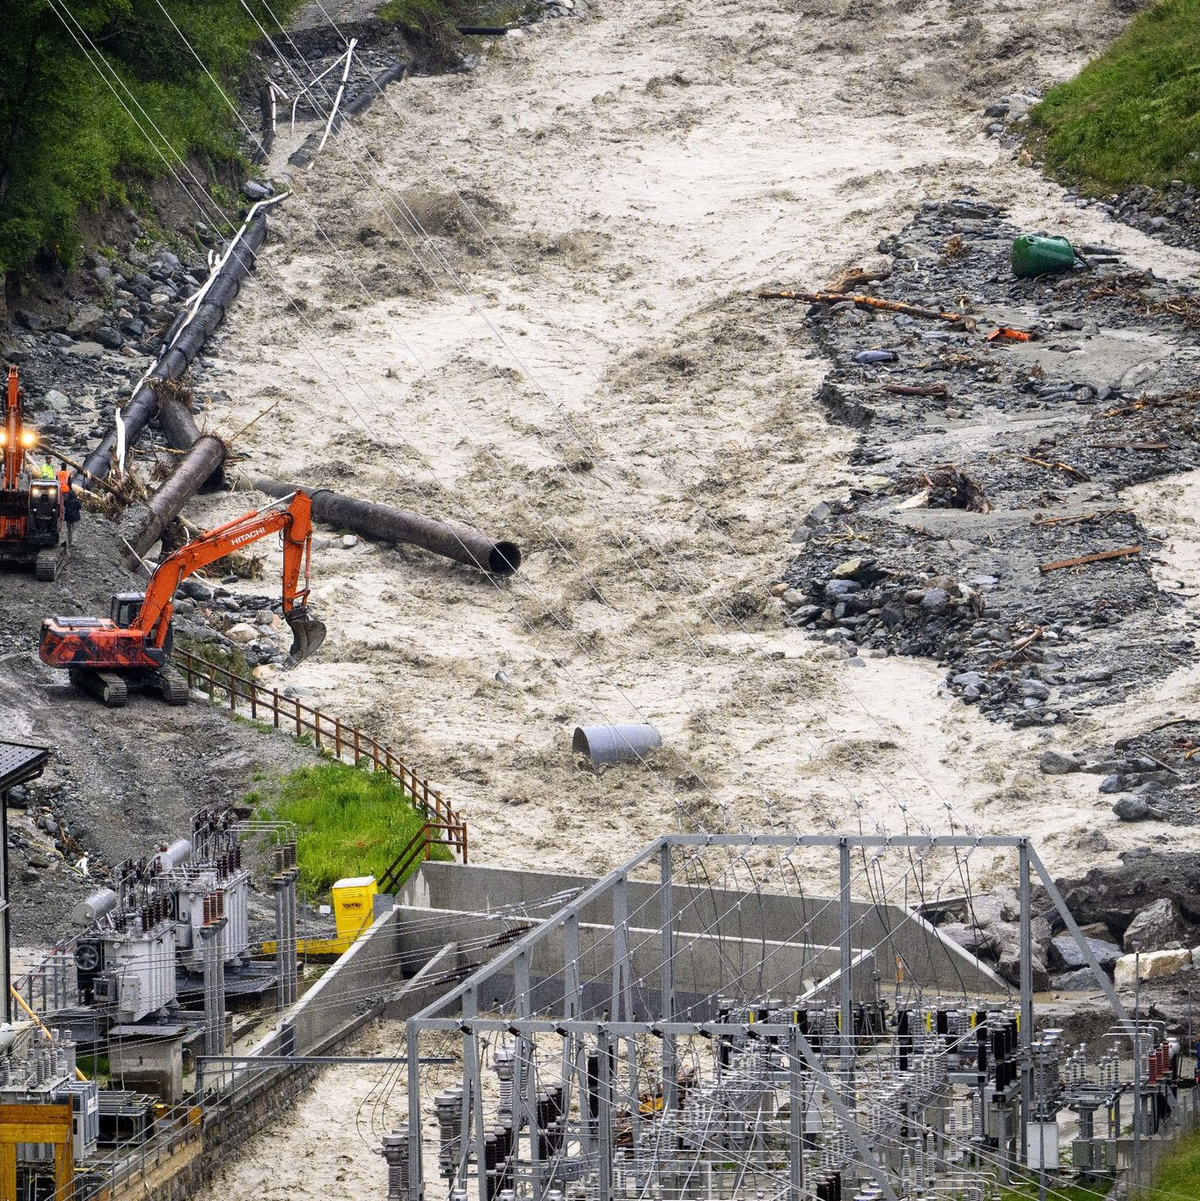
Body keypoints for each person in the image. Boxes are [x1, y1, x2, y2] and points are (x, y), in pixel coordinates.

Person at [62, 474, 81, 548]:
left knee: (69, 529)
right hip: (75, 518)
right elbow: (80, 507)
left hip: (68, 518)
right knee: (75, 529)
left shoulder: (66, 501)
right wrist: (78, 500)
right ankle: (73, 541)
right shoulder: (76, 501)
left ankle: (69, 541)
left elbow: (64, 506)